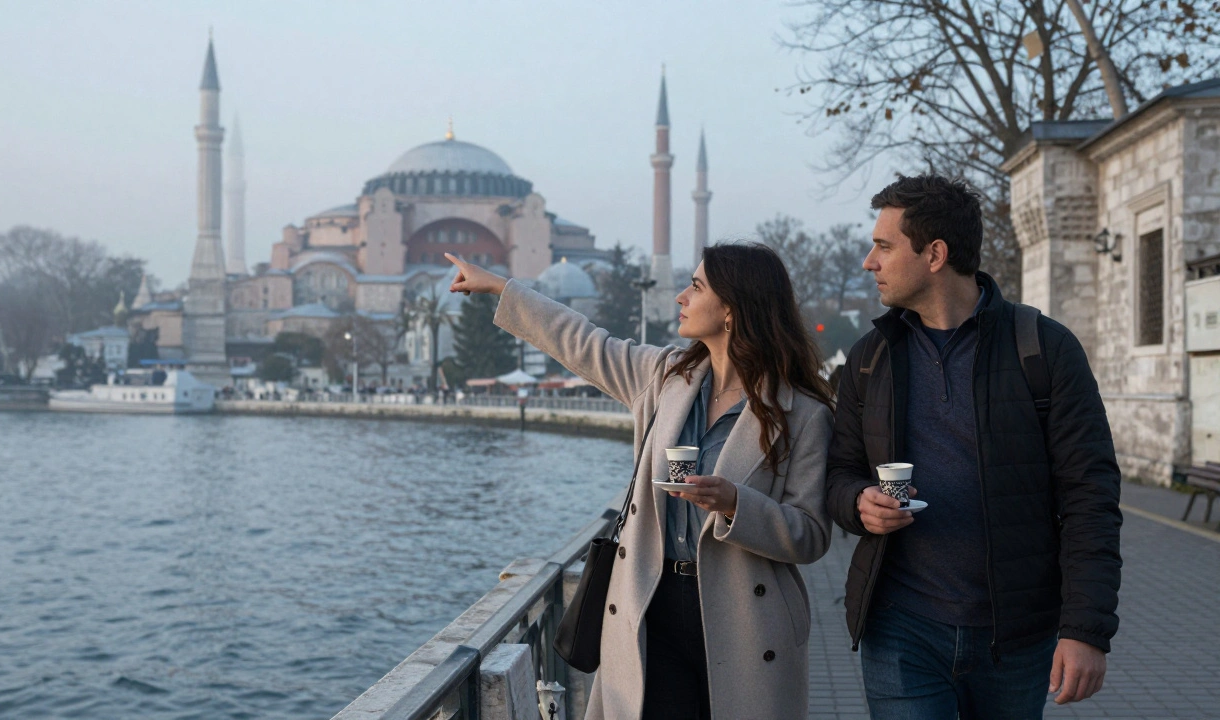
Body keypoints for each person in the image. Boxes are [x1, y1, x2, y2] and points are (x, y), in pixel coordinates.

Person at [446, 244, 834, 720]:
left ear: (731, 310)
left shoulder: (803, 414)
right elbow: (581, 340)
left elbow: (811, 534)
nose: (680, 298)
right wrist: (500, 287)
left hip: (746, 619)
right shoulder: (665, 377)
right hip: (651, 608)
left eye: (695, 287)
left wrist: (736, 504)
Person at [826, 174, 1122, 719]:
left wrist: (1085, 630)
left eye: (884, 246)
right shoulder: (869, 357)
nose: (870, 261)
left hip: (1015, 634)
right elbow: (839, 472)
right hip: (899, 628)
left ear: (934, 253)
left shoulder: (1044, 349)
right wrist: (858, 502)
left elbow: (1090, 496)